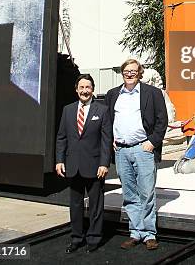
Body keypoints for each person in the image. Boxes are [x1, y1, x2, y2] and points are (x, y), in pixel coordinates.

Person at [105, 59, 168, 251]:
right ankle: (135, 232)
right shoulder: (113, 94)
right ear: (122, 73)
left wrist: (152, 143)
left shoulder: (153, 93)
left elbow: (162, 120)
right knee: (130, 194)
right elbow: (108, 120)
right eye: (126, 71)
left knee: (147, 193)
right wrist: (111, 141)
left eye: (133, 71)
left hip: (143, 149)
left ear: (140, 73)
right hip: (121, 151)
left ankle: (149, 234)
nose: (130, 74)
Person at [56, 74, 112, 254]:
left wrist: (104, 163)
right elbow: (61, 138)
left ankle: (94, 239)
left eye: (88, 87)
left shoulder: (102, 110)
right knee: (75, 205)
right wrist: (59, 160)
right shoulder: (68, 110)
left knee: (96, 205)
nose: (84, 91)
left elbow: (106, 140)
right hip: (73, 166)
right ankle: (76, 238)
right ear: (76, 89)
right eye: (81, 87)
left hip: (95, 166)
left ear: (93, 89)